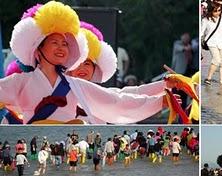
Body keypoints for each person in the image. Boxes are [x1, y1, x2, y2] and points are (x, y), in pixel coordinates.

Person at [0, 2, 195, 124]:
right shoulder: (21, 82)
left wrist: (160, 95)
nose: (61, 48)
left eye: (64, 44)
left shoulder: (75, 86)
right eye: (54, 43)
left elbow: (116, 100)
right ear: (38, 49)